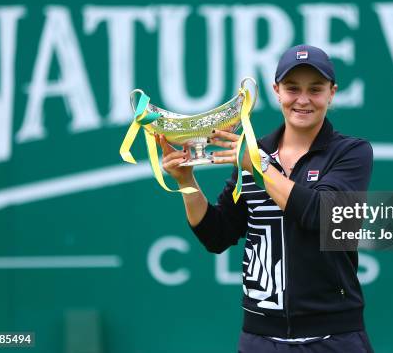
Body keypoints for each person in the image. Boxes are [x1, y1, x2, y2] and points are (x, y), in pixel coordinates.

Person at [155, 44, 374, 353]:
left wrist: (259, 167)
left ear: (331, 93)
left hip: (334, 338)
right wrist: (186, 182)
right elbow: (217, 235)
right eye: (292, 88)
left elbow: (322, 215)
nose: (302, 99)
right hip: (261, 339)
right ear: (276, 91)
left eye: (315, 89)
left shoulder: (351, 153)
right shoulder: (255, 153)